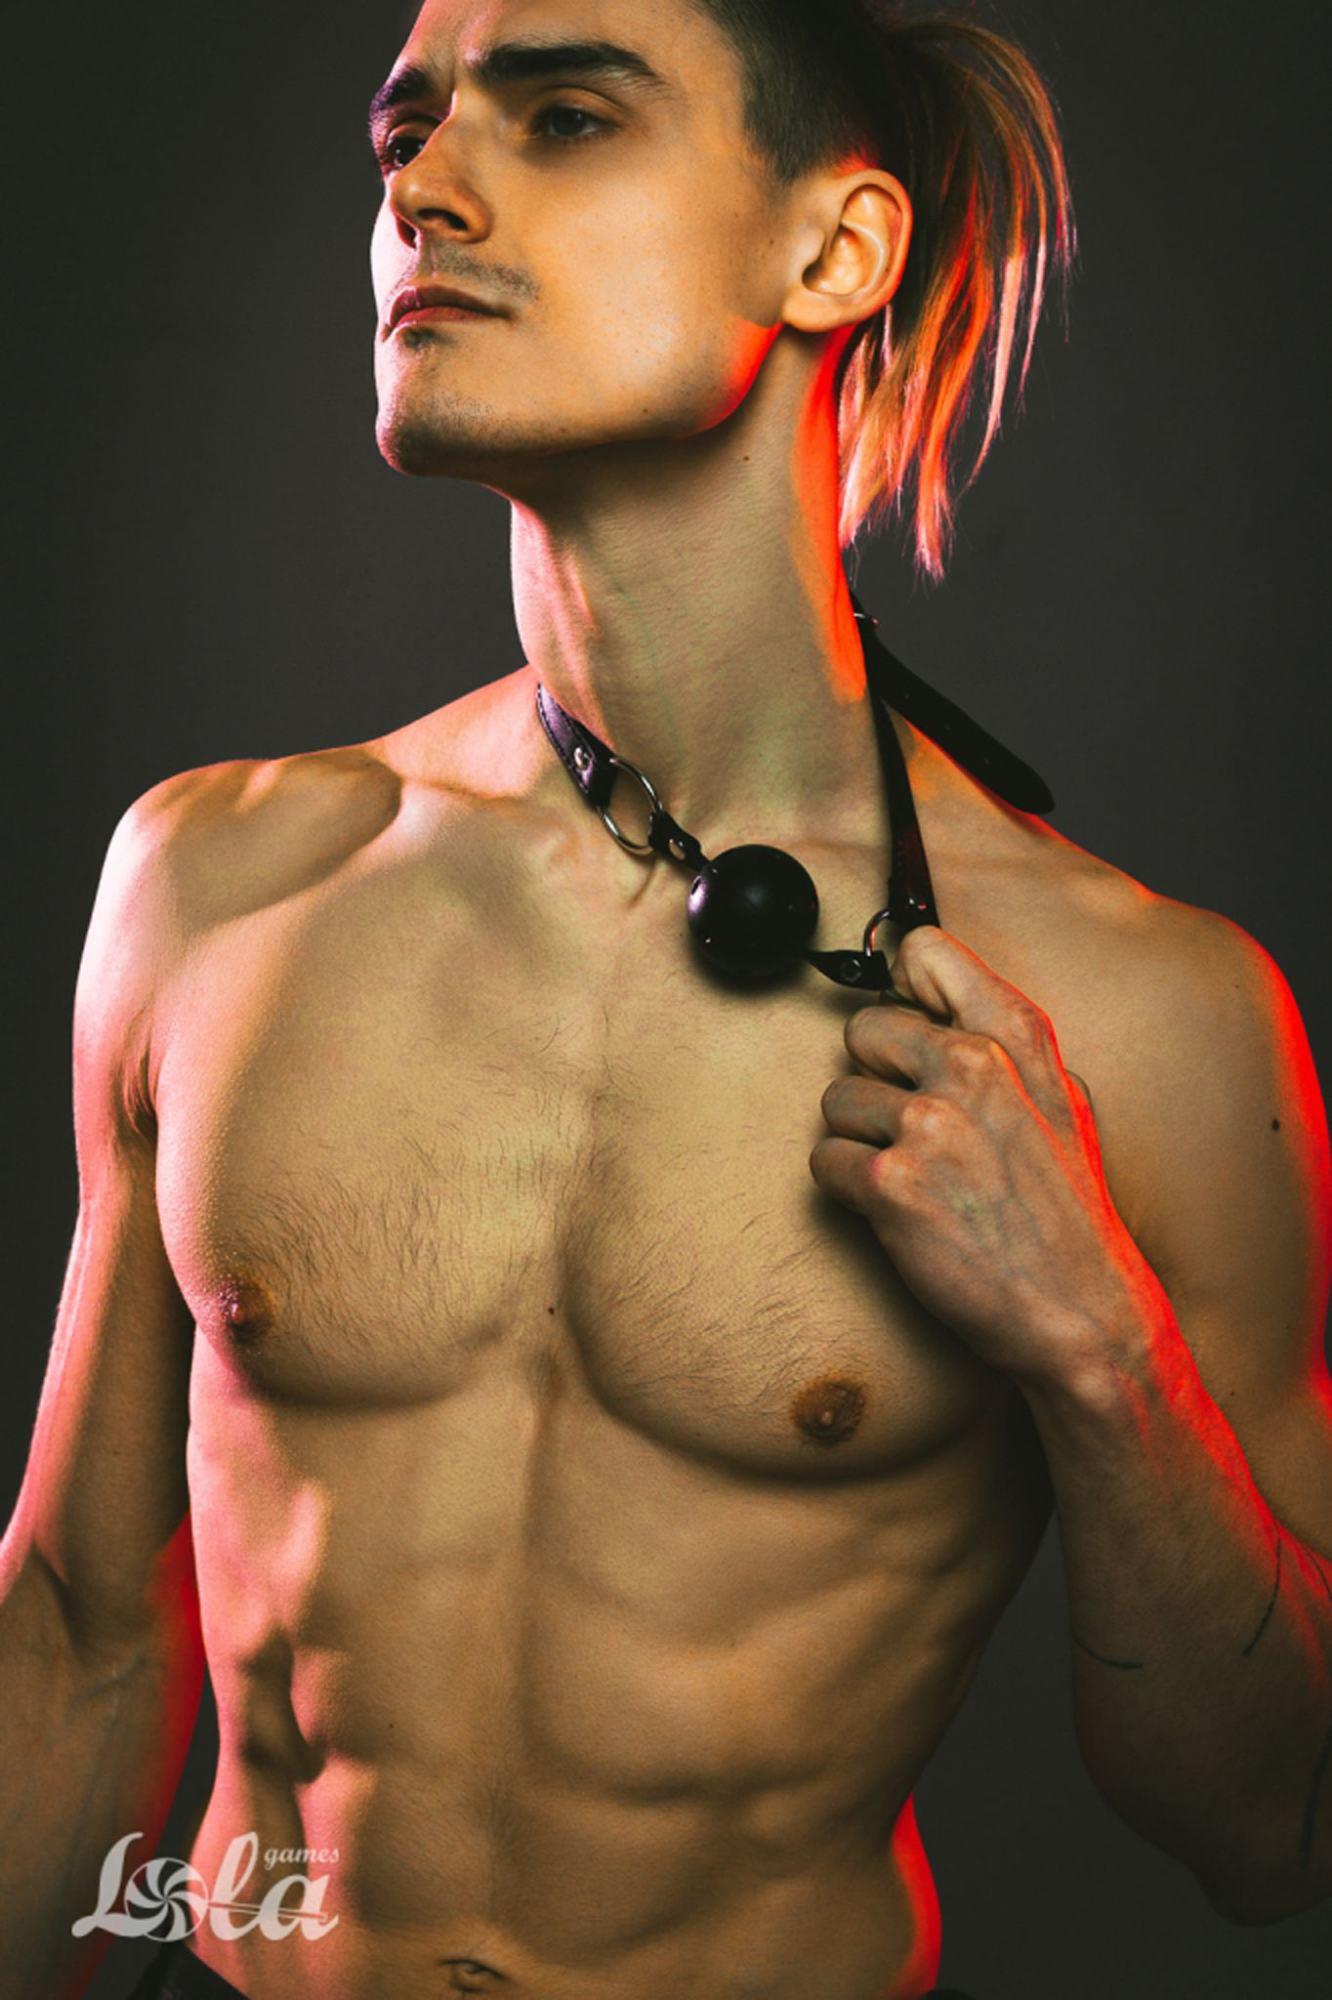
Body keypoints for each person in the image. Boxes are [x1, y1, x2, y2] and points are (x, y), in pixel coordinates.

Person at [2, 0, 1330, 1996]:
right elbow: (75, 1640)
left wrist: (1101, 1350)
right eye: (408, 132)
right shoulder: (224, 882)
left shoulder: (1144, 1017)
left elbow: (1273, 1829)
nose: (425, 188)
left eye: (565, 116)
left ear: (834, 250)